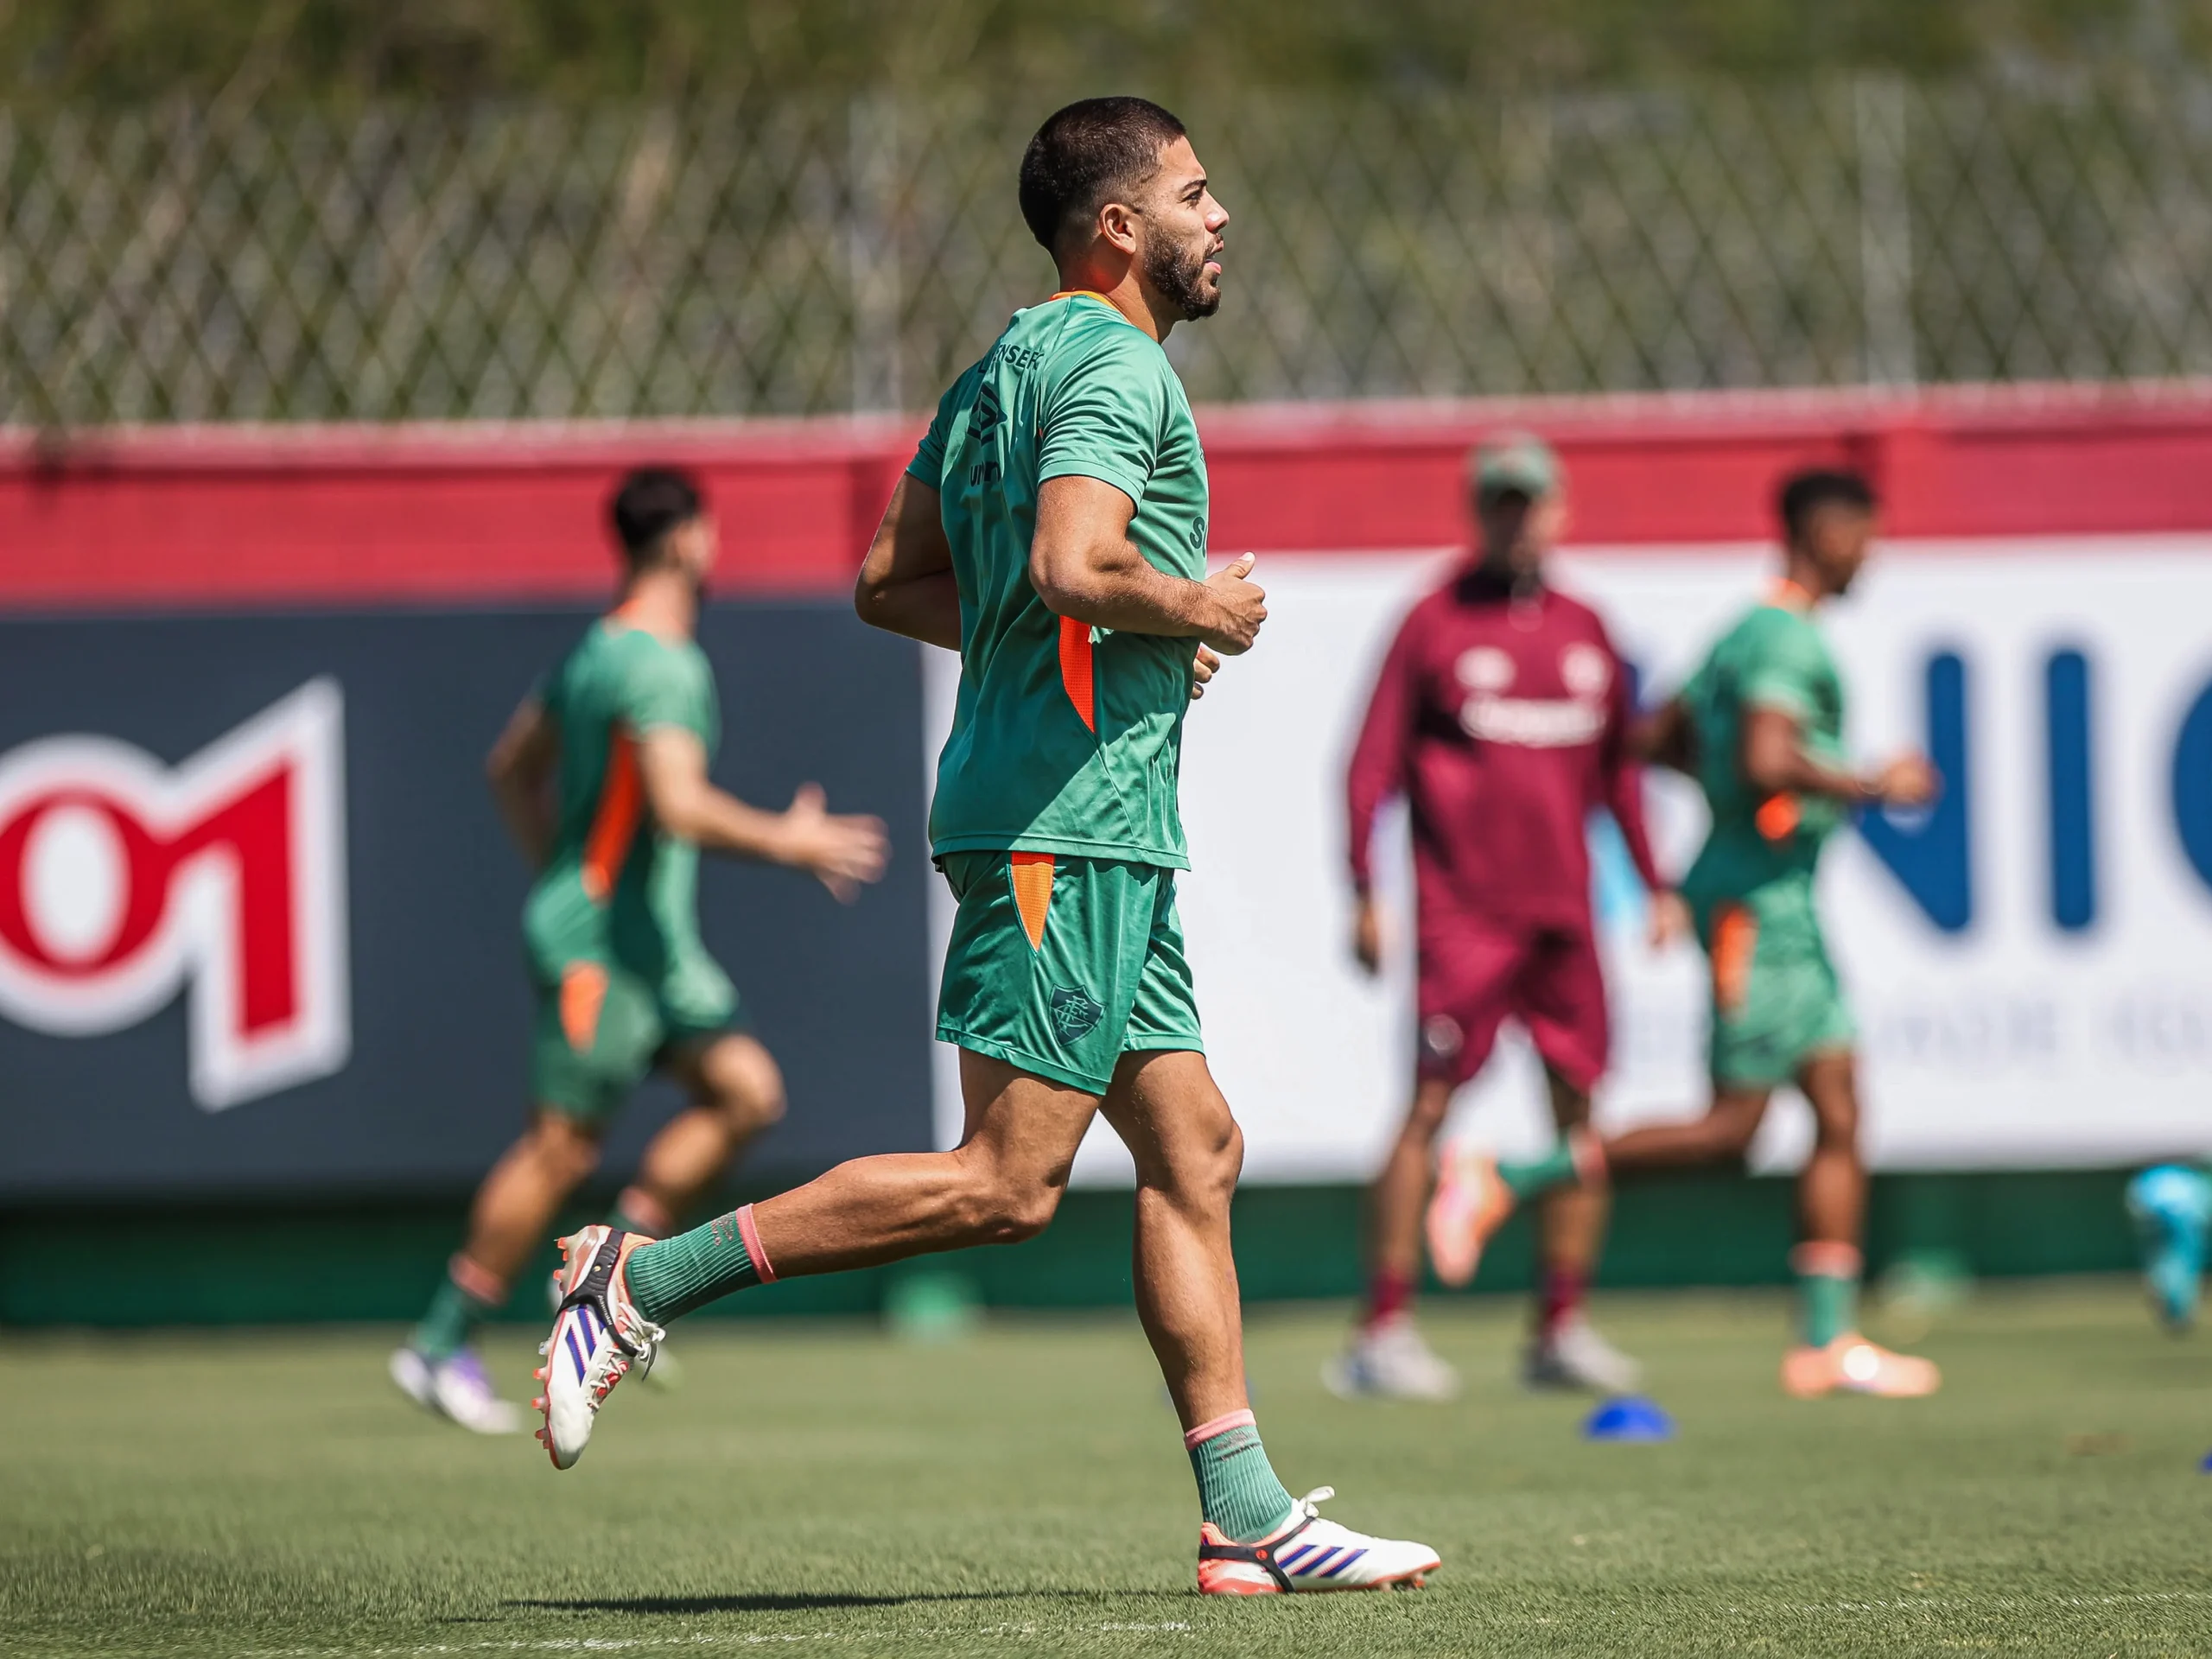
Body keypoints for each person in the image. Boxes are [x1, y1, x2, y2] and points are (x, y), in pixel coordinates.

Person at [531, 97, 1440, 1596]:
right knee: (1007, 1185)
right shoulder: (1110, 363)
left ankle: (1247, 1518)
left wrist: (1127, 643)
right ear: (1118, 229)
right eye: (1197, 195)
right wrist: (1192, 610)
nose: (1223, 220)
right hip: (1059, 830)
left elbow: (892, 583)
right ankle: (639, 1279)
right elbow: (1073, 566)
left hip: (1089, 827)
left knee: (1193, 1146)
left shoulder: (999, 365)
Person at [389, 467, 889, 1433]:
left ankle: (619, 1265)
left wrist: (559, 875)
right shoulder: (660, 662)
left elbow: (509, 768)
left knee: (748, 1093)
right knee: (560, 1144)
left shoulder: (592, 653)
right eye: (708, 529)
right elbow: (676, 804)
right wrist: (790, 840)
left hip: (655, 955)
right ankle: (440, 1341)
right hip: (607, 954)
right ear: (683, 541)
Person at [1427, 466, 1944, 1399]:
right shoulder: (1784, 637)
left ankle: (1824, 1340)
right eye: (1859, 531)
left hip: (1773, 897)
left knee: (1837, 1104)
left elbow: (1656, 733)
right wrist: (1871, 783)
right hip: (1759, 910)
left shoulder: (1744, 630)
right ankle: (1509, 1172)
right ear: (1817, 533)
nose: (1869, 549)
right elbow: (1764, 753)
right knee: (1730, 1130)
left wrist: (1729, 799)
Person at [1330, 433, 1672, 1402]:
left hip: (1563, 916)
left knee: (1579, 1110)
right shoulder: (1432, 622)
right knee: (1428, 1108)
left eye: (1531, 502)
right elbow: (1368, 767)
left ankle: (1559, 1325)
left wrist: (1656, 883)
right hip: (1462, 919)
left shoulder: (1586, 628)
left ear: (1561, 511)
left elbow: (1619, 778)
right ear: (1477, 513)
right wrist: (1362, 889)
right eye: (1500, 503)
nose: (1517, 520)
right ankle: (1381, 1328)